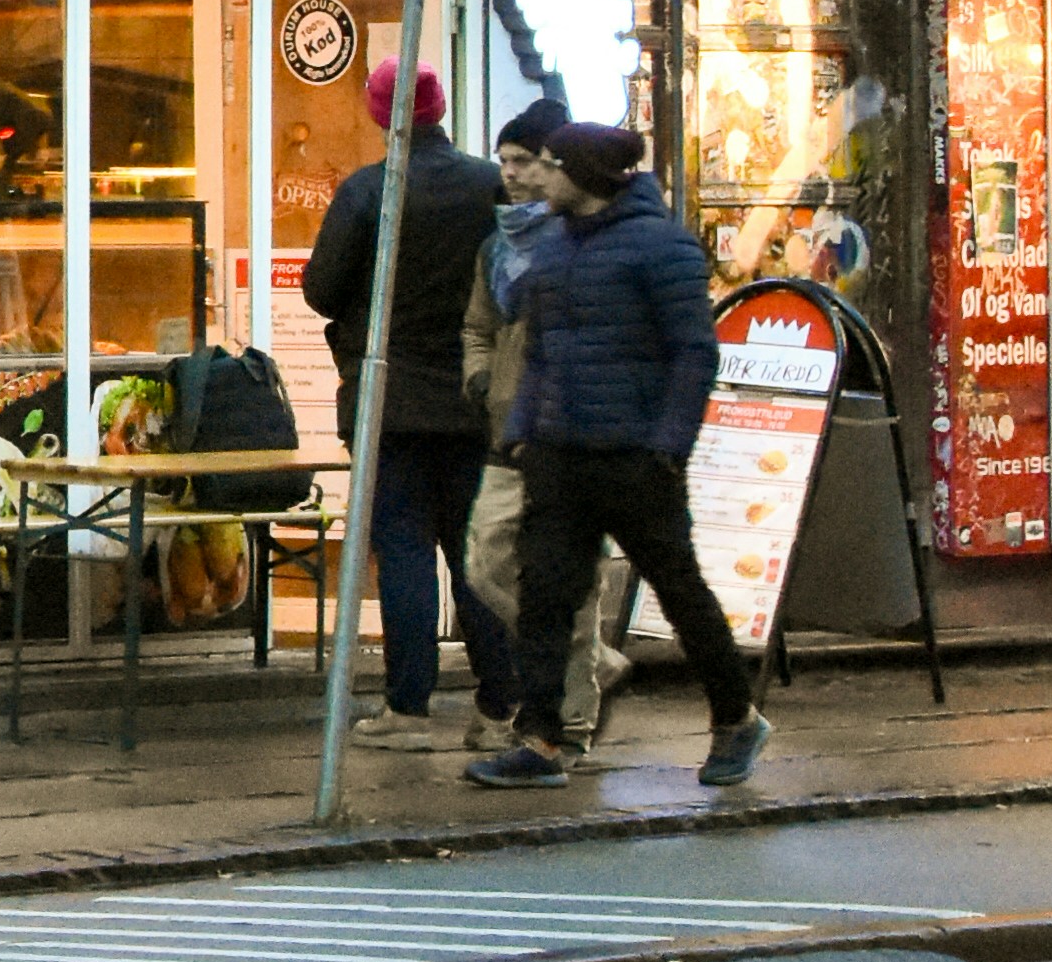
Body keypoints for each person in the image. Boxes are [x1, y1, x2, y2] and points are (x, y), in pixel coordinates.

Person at [468, 119, 762, 792]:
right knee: (544, 596)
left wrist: (667, 446)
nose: (535, 177)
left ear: (584, 177)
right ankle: (541, 740)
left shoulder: (661, 247)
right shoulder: (556, 247)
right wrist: (523, 428)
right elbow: (539, 348)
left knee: (679, 591)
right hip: (559, 452)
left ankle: (736, 718)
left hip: (632, 454)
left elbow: (695, 351)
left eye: (550, 166)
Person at [299, 58, 512, 727]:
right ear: (440, 107)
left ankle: (409, 706)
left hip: (388, 401)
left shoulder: (370, 192)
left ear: (376, 110)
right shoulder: (492, 186)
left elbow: (322, 290)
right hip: (475, 399)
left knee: (404, 551)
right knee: (473, 550)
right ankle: (503, 701)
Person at [463, 97, 623, 753]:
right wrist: (480, 378)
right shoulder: (497, 246)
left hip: (569, 431)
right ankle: (589, 663)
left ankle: (575, 718)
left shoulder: (583, 239)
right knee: (483, 564)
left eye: (525, 161)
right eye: (504, 161)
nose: (513, 174)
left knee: (573, 584)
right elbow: (477, 326)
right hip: (506, 432)